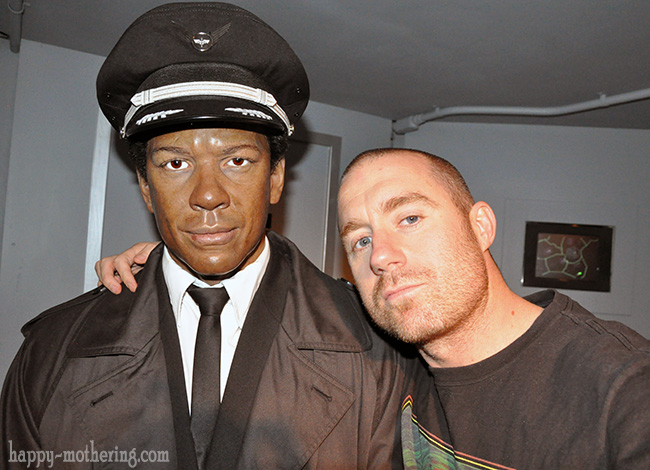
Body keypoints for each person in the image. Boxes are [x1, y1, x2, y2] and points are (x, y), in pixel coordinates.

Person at [0, 4, 425, 469]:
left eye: (237, 161)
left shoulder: (381, 349)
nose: (207, 196)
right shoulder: (52, 352)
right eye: (175, 164)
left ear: (276, 178)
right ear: (145, 186)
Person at [104, 147, 650, 469]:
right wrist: (185, 260)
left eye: (409, 218)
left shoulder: (621, 387)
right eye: (360, 240)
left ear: (480, 226)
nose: (383, 256)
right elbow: (291, 293)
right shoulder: (385, 353)